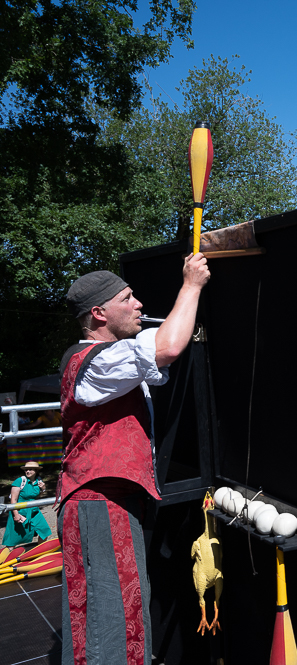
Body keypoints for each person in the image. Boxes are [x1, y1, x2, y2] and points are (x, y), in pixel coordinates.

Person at [60, 257, 210, 662]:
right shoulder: (94, 362)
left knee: (122, 613)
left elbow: (161, 347)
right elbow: (168, 347)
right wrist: (191, 285)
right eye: (127, 299)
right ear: (99, 313)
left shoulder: (112, 359)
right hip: (97, 504)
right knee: (108, 623)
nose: (139, 304)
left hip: (113, 504)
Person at [2, 461, 52, 547]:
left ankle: (39, 551)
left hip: (34, 511)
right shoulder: (20, 481)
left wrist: (43, 489)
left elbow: (36, 496)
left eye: (30, 469)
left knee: (44, 531)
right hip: (20, 511)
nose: (27, 471)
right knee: (14, 538)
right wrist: (16, 514)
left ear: (36, 471)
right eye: (26, 470)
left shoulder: (39, 480)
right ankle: (9, 553)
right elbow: (13, 500)